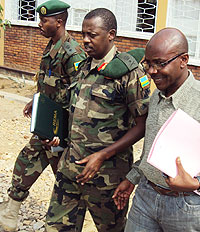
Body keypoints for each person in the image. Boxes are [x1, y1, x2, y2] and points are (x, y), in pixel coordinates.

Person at [113, 27, 200, 232]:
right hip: (145, 198)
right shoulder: (156, 98)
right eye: (148, 63)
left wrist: (198, 182)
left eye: (160, 63)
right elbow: (152, 151)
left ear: (184, 60)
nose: (151, 71)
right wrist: (132, 179)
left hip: (187, 207)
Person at [45, 8, 150, 232]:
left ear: (110, 34)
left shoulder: (129, 73)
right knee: (55, 227)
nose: (85, 40)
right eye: (83, 34)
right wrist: (57, 135)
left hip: (107, 178)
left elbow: (143, 125)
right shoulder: (82, 67)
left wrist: (103, 155)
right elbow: (73, 112)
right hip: (70, 169)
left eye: (92, 35)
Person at [0, 1, 86, 231]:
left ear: (58, 22)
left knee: (66, 180)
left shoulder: (72, 53)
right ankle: (10, 212)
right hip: (46, 125)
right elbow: (49, 84)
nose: (39, 24)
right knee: (26, 161)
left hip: (61, 132)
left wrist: (63, 135)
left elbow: (78, 98)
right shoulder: (52, 46)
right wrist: (35, 101)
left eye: (44, 20)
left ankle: (70, 222)